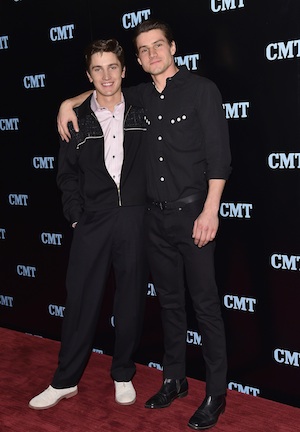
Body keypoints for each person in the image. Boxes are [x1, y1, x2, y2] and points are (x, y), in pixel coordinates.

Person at [57, 19, 232, 430]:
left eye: (158, 46)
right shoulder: (136, 95)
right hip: (153, 219)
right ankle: (175, 379)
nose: (152, 54)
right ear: (136, 60)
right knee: (170, 304)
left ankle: (216, 393)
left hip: (194, 216)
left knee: (205, 306)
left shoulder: (203, 90)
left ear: (173, 47)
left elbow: (219, 156)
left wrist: (211, 210)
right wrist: (67, 102)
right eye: (144, 49)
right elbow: (103, 91)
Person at [29, 38, 149, 410]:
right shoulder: (75, 119)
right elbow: (66, 175)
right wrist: (76, 215)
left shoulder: (142, 105)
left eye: (113, 66)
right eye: (98, 68)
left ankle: (123, 373)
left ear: (124, 70)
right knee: (80, 300)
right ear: (88, 74)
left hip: (133, 217)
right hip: (92, 220)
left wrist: (68, 98)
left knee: (129, 299)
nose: (106, 75)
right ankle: (65, 380)